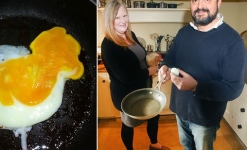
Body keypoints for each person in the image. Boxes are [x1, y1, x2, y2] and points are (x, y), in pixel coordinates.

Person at [158, 0, 247, 149]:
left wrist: (196, 86)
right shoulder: (183, 33)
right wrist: (165, 66)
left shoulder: (233, 42)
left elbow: (232, 88)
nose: (199, 6)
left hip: (204, 117)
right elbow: (170, 57)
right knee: (186, 146)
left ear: (219, 2)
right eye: (194, 0)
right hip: (180, 109)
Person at [101, 0, 170, 150]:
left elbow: (139, 58)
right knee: (129, 124)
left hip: (144, 86)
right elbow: (126, 77)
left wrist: (151, 60)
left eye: (124, 15)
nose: (123, 21)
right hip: (127, 95)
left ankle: (154, 145)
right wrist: (152, 71)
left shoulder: (130, 35)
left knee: (153, 116)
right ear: (109, 20)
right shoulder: (109, 45)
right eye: (117, 17)